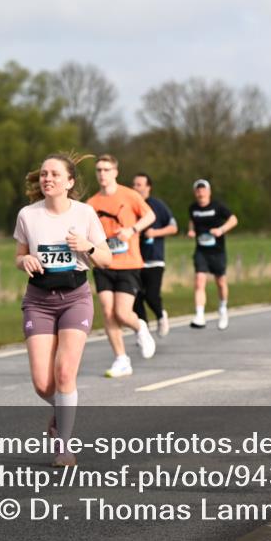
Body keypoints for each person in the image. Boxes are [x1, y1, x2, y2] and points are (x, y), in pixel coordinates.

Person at [14, 153, 112, 467]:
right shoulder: (28, 215)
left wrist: (88, 247)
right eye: (44, 174)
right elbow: (19, 256)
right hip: (39, 301)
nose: (47, 179)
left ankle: (64, 446)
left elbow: (106, 259)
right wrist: (25, 260)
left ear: (69, 182)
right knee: (43, 384)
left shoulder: (85, 214)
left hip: (75, 299)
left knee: (65, 372)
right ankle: (62, 409)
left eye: (55, 174)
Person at [86, 155, 157, 378]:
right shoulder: (91, 204)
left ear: (115, 172)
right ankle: (121, 359)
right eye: (99, 170)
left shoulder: (129, 195)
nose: (102, 174)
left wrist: (132, 230)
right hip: (104, 263)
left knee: (122, 313)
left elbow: (150, 216)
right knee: (107, 311)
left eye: (106, 169)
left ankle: (140, 327)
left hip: (128, 263)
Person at [132, 173, 179, 337]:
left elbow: (174, 228)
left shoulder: (157, 205)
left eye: (139, 184)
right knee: (136, 298)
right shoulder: (130, 205)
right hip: (134, 260)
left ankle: (161, 315)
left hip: (154, 259)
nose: (135, 187)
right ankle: (143, 332)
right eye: (134, 184)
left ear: (148, 187)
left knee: (151, 296)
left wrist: (155, 233)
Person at [187, 179, 238, 330]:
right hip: (201, 250)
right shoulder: (193, 208)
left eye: (203, 189)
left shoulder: (218, 206)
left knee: (220, 282)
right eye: (198, 190)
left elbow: (234, 220)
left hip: (217, 250)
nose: (200, 193)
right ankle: (199, 315)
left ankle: (222, 308)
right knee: (199, 280)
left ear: (209, 192)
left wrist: (221, 230)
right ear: (195, 192)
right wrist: (191, 230)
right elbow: (192, 220)